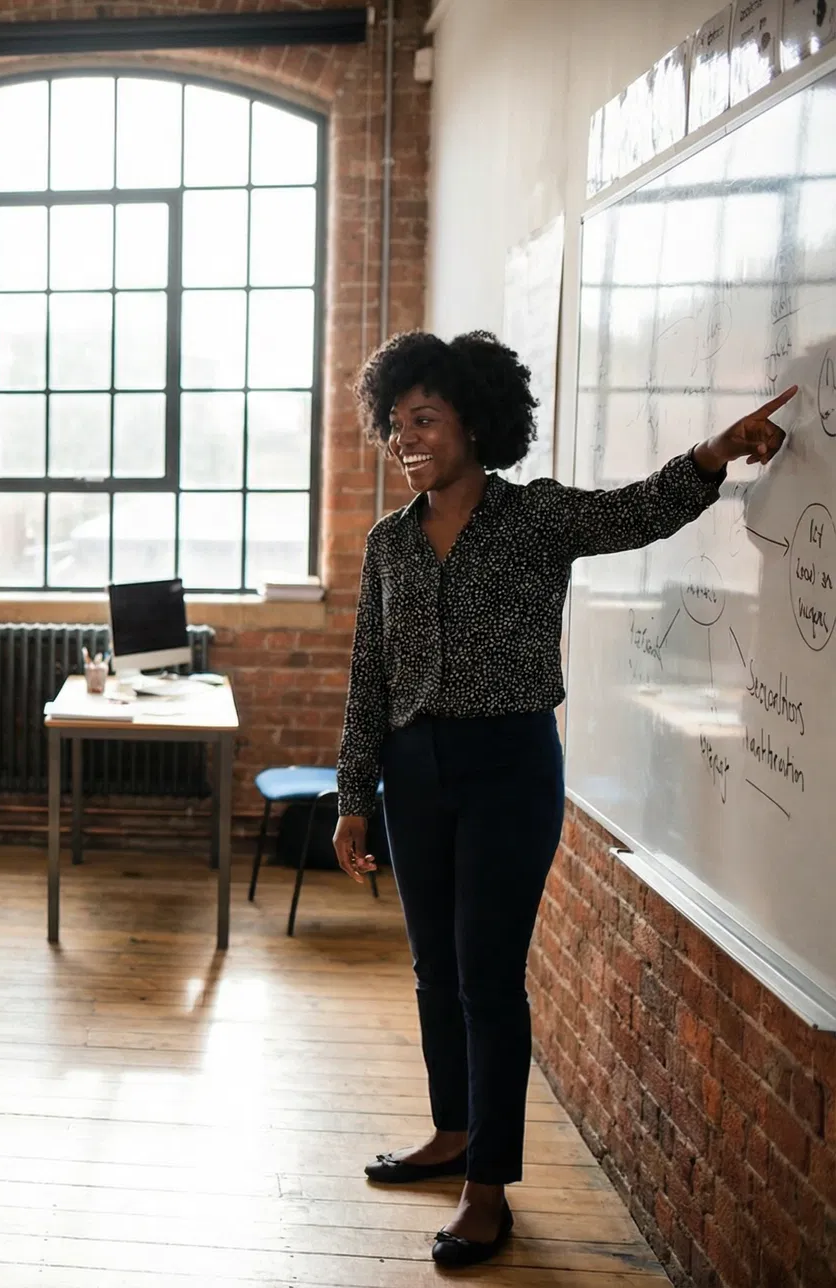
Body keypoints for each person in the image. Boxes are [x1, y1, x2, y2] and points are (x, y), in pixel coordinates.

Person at [332, 330, 792, 1268]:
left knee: (487, 978)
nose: (407, 438)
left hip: (509, 767)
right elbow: (368, 675)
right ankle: (453, 1131)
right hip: (413, 774)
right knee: (433, 970)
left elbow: (637, 512)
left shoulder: (534, 516)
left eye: (426, 419)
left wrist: (713, 454)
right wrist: (352, 795)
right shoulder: (389, 543)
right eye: (396, 423)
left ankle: (487, 1187)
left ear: (474, 422)